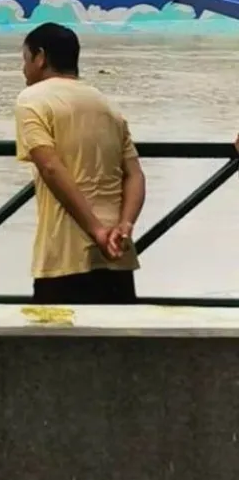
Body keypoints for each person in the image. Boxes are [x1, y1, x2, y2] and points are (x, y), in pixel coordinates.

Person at [15, 22, 146, 305]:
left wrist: (95, 230)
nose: (24, 69)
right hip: (117, 252)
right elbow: (134, 175)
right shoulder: (106, 104)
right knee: (117, 344)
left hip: (64, 254)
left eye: (25, 60)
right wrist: (124, 225)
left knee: (58, 345)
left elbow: (50, 167)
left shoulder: (31, 100)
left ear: (40, 57)